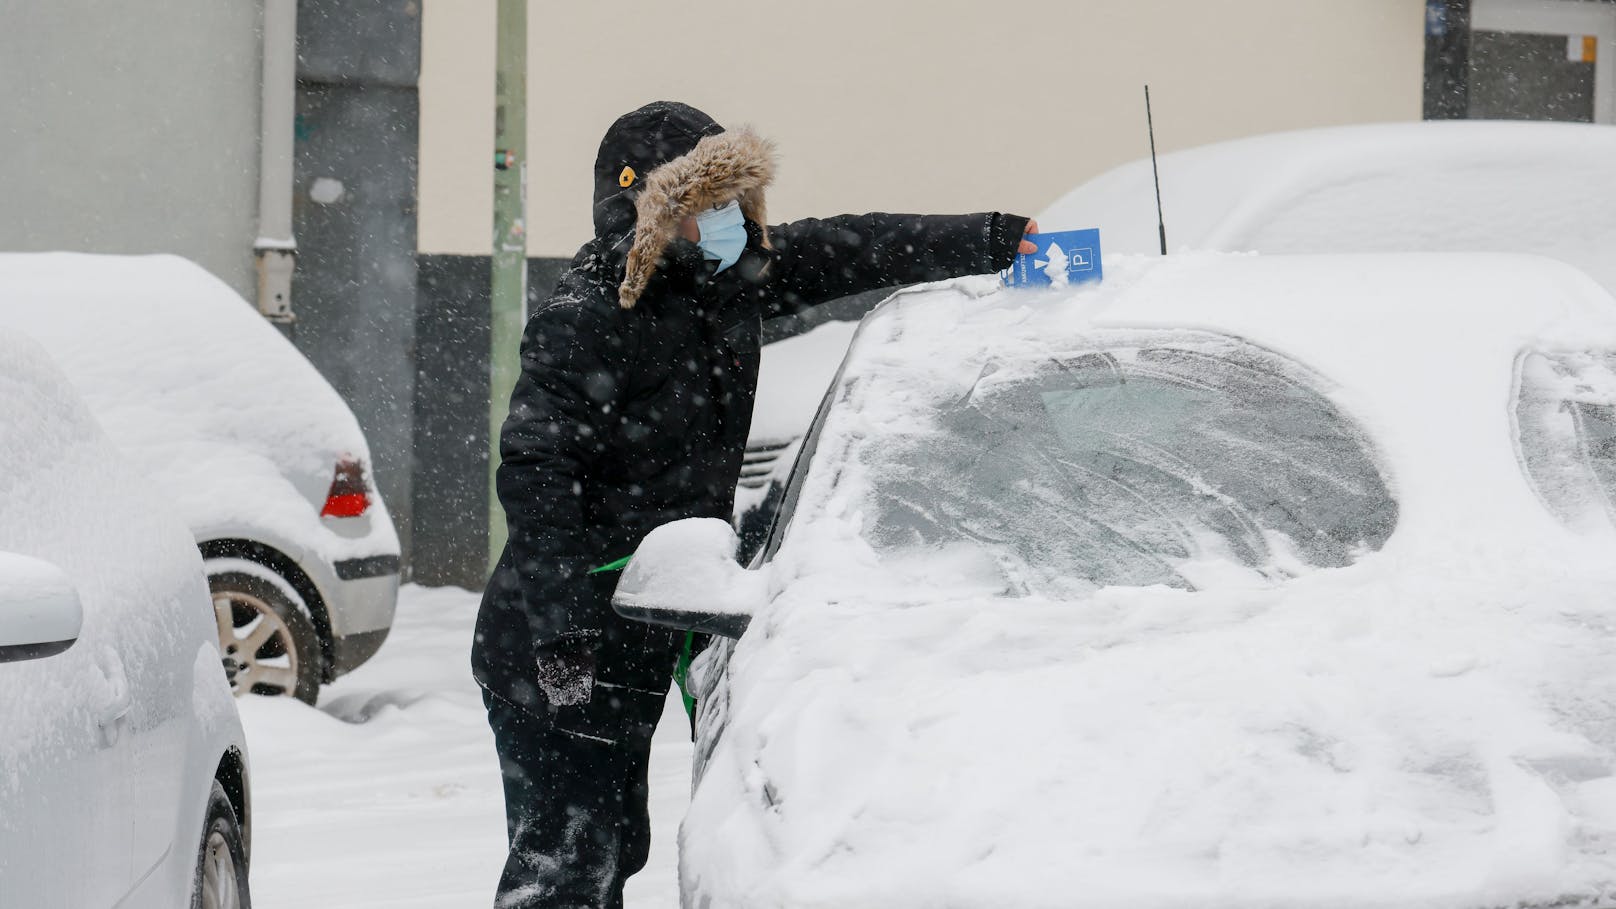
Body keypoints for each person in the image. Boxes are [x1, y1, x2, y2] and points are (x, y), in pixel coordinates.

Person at [472, 100, 1037, 909]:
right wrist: (562, 633)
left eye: (739, 199)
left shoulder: (722, 286)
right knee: (568, 865)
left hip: (655, 605)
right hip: (556, 632)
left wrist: (990, 237)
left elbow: (856, 243)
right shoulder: (589, 316)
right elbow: (535, 470)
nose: (733, 219)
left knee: (619, 840)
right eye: (710, 204)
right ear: (653, 213)